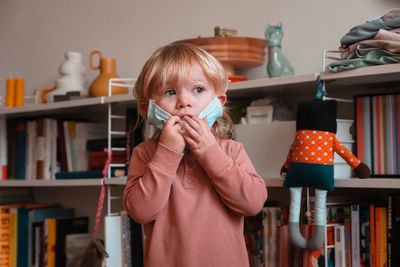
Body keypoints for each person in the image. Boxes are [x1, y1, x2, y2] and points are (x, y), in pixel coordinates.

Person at [123, 42, 267, 267]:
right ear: (148, 109)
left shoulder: (231, 150)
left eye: (198, 89)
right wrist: (167, 153)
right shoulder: (145, 154)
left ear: (218, 103)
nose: (184, 102)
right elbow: (140, 212)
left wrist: (211, 153)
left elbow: (253, 204)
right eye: (170, 92)